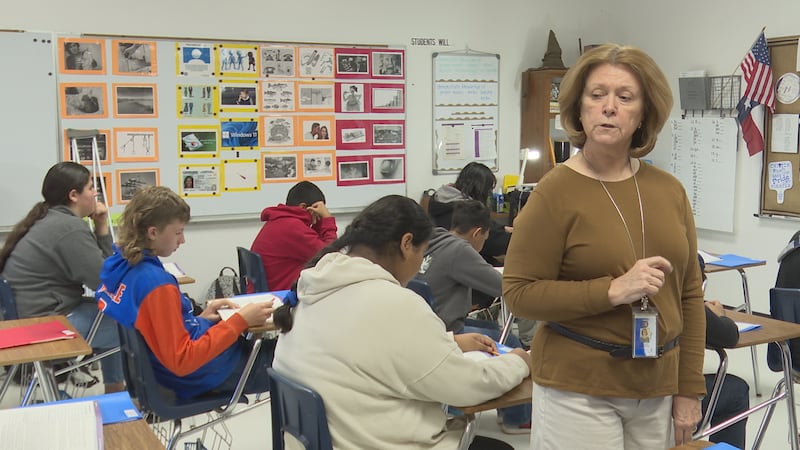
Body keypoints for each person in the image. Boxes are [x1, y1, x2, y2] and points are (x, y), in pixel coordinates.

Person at [502, 43, 706, 449]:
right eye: (597, 96)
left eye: (624, 97)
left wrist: (688, 387)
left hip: (656, 384)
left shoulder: (670, 191)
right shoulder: (554, 191)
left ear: (644, 114)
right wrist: (611, 291)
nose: (608, 107)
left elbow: (689, 294)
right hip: (578, 389)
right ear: (579, 109)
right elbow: (519, 293)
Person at [272, 195, 531, 449]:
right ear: (407, 244)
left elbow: (356, 349)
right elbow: (468, 387)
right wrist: (519, 360)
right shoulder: (394, 303)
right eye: (423, 252)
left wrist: (450, 341)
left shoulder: (314, 289)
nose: (421, 264)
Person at [96, 186, 276, 400]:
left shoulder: (121, 267)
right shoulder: (155, 284)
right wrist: (239, 321)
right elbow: (182, 360)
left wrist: (202, 320)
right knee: (294, 360)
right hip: (199, 375)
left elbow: (162, 332)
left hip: (162, 374)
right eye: (178, 232)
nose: (182, 240)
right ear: (153, 232)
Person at [0, 161, 124, 393]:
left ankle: (115, 390)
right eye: (90, 187)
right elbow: (105, 281)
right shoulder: (69, 228)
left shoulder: (48, 218)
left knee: (115, 311)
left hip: (26, 316)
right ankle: (119, 393)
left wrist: (100, 227)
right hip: (44, 322)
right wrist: (103, 229)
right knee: (131, 322)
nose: (95, 192)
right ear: (74, 195)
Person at [416, 199, 531, 434]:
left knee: (487, 326)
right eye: (485, 239)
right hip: (447, 328)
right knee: (509, 343)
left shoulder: (437, 238)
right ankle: (516, 419)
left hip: (430, 322)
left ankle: (509, 413)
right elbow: (503, 287)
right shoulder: (461, 250)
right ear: (477, 232)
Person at [250, 181, 337, 291]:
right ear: (303, 207)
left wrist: (318, 223)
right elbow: (331, 258)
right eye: (316, 211)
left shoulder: (282, 220)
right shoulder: (293, 227)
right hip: (281, 294)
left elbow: (315, 245)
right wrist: (327, 220)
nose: (318, 215)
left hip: (270, 289)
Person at [703, 300, 750, 448]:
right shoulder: (678, 293)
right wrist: (718, 316)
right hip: (669, 398)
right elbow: (728, 336)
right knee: (736, 391)